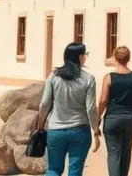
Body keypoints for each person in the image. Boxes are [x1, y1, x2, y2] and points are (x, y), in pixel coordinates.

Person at [38, 43, 100, 176]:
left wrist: (40, 124)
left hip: (55, 131)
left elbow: (44, 103)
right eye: (85, 55)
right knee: (75, 172)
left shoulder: (53, 76)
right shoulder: (89, 79)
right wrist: (95, 130)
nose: (85, 58)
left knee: (53, 169)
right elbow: (90, 108)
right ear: (80, 57)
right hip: (80, 130)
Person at [97, 46, 132, 176]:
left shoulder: (109, 77)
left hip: (113, 118)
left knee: (114, 153)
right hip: (131, 118)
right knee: (126, 152)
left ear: (115, 58)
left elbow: (103, 100)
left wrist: (98, 116)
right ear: (128, 58)